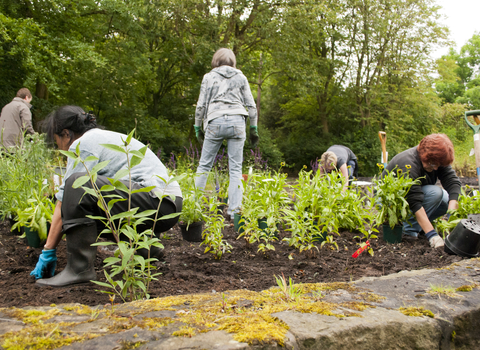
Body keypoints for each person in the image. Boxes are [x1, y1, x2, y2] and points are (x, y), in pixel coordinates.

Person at [31, 105, 183, 287]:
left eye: (57, 141)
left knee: (76, 184)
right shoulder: (102, 137)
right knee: (90, 203)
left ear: (66, 134)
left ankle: (78, 270)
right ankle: (147, 248)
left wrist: (48, 250)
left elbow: (64, 200)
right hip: (167, 204)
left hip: (156, 200)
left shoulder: (82, 144)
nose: (59, 147)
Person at [193, 48, 258, 219]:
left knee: (204, 165)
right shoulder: (241, 77)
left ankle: (194, 208)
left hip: (215, 120)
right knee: (235, 169)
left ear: (216, 61)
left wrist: (198, 126)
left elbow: (201, 105)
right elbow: (251, 105)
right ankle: (234, 211)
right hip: (238, 121)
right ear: (233, 61)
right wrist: (254, 128)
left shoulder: (209, 77)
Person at [383, 133, 461, 248]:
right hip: (391, 204)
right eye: (433, 164)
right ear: (424, 155)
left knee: (446, 199)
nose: (435, 168)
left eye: (438, 165)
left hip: (413, 199)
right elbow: (414, 201)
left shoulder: (436, 160)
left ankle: (420, 225)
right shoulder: (408, 163)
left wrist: (451, 214)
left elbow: (453, 182)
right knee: (436, 193)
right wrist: (432, 235)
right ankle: (408, 230)